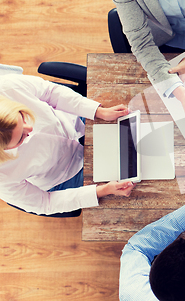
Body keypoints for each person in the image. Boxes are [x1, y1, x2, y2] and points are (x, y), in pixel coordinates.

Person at [0, 70, 135, 215]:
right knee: (135, 180)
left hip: (74, 123)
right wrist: (103, 190)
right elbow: (46, 203)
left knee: (136, 131)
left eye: (22, 116)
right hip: (65, 175)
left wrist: (97, 111)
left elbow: (50, 92)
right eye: (21, 138)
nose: (31, 128)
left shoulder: (7, 88)